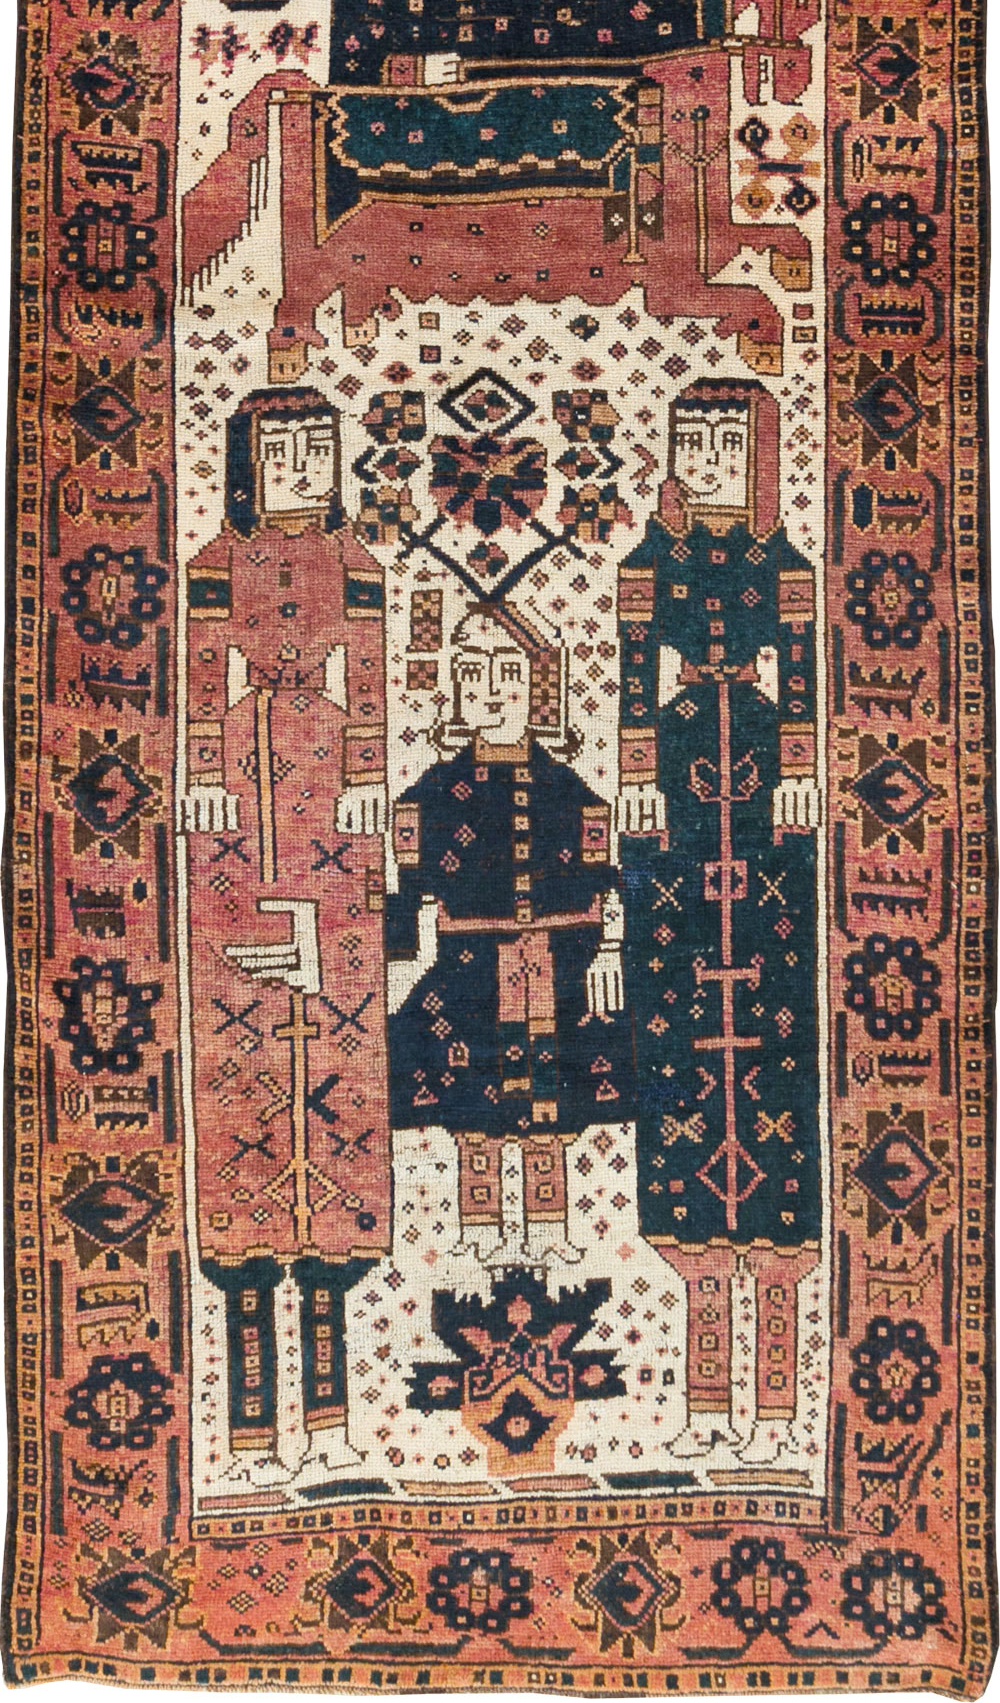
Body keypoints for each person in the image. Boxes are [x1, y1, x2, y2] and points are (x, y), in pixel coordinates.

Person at [181, 387, 391, 1476]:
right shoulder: (219, 559)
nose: (303, 463)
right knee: (240, 1128)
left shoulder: (354, 560)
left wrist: (366, 774)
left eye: (318, 445)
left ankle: (333, 1424)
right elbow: (200, 662)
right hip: (235, 811)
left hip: (329, 795)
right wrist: (204, 768)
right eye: (282, 448)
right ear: (246, 463)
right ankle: (254, 1429)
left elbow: (370, 666)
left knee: (342, 1137)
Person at [616, 377, 820, 1468]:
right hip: (680, 783)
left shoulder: (787, 567)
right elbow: (627, 682)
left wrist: (802, 765)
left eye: (725, 440)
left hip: (769, 797)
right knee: (674, 1061)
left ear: (760, 453)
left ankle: (779, 1406)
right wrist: (633, 780)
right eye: (689, 438)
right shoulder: (650, 565)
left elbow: (806, 672)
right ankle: (705, 1397)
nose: (705, 456)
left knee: (784, 1058)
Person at [385, 605, 632, 1268]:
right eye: (472, 674)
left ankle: (549, 1229)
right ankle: (480, 1231)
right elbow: (407, 883)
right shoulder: (432, 792)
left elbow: (607, 872)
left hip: (557, 959)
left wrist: (609, 947)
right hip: (466, 967)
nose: (490, 691)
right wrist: (403, 955)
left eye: (508, 675)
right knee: (472, 1102)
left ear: (540, 689)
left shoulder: (568, 787)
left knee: (551, 1098)